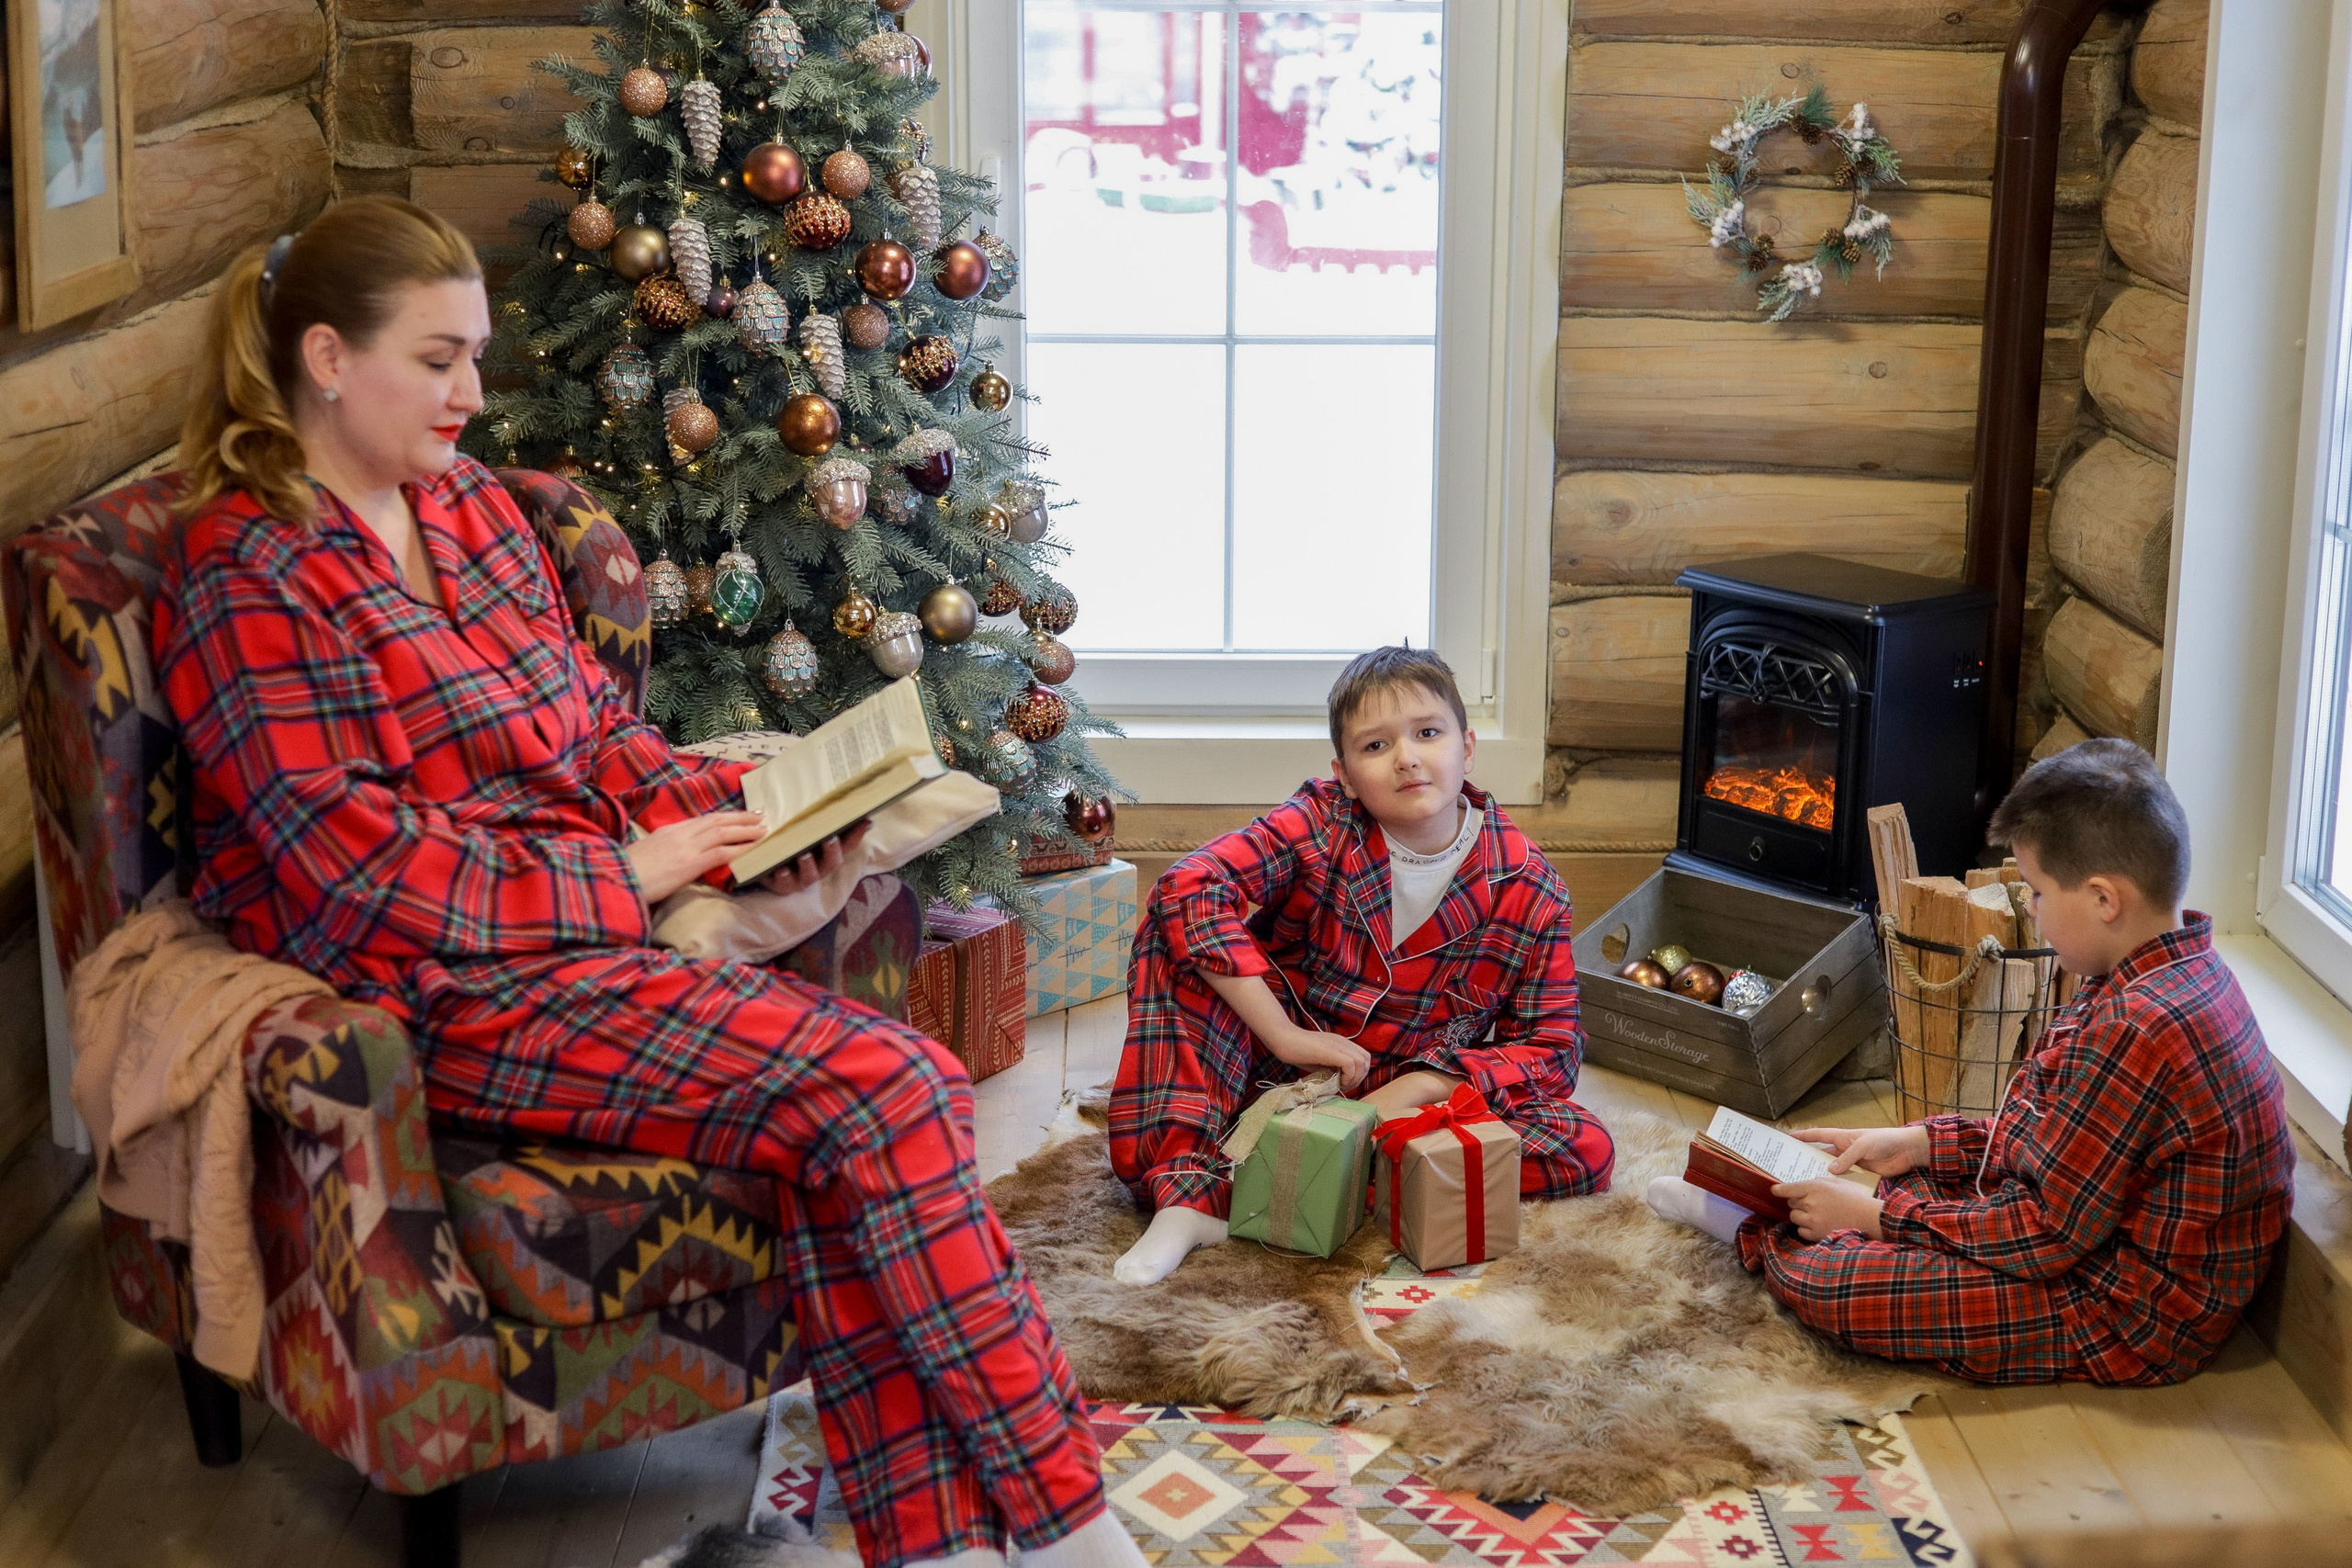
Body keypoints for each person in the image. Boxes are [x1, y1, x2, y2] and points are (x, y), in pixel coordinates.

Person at [153, 198, 1138, 1568]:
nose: (471, 393)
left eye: (475, 356)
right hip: (442, 983)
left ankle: (939, 1544)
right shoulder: (249, 570)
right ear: (327, 357)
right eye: (437, 360)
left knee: (860, 1116)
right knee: (892, 1085)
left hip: (595, 940)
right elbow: (356, 870)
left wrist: (741, 816)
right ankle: (1074, 1530)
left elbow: (593, 735)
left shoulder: (471, 510)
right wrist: (628, 873)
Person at [1646, 739, 2295, 1385]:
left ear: (2104, 899)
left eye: (2038, 893)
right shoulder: (2164, 970)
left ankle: (1756, 1229)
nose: (2032, 911)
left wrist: (1874, 1220)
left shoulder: (2138, 1027)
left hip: (2118, 1309)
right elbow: (2053, 1140)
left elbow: (2046, 1234)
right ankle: (1830, 1215)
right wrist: (1922, 1143)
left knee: (1838, 1282)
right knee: (1908, 1186)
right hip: (2086, 1235)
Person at [1107, 645, 1615, 1285]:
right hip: (1275, 1067)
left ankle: (1300, 1185)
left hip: (1401, 1097)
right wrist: (1284, 1035)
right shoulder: (1322, 822)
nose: (1407, 757)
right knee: (1172, 934)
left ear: (1467, 748)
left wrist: (1424, 1086)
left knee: (1584, 1145)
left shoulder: (1531, 887)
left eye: (1428, 733)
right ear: (1344, 774)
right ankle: (1191, 1197)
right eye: (1376, 745)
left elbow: (1552, 1048)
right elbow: (1188, 886)